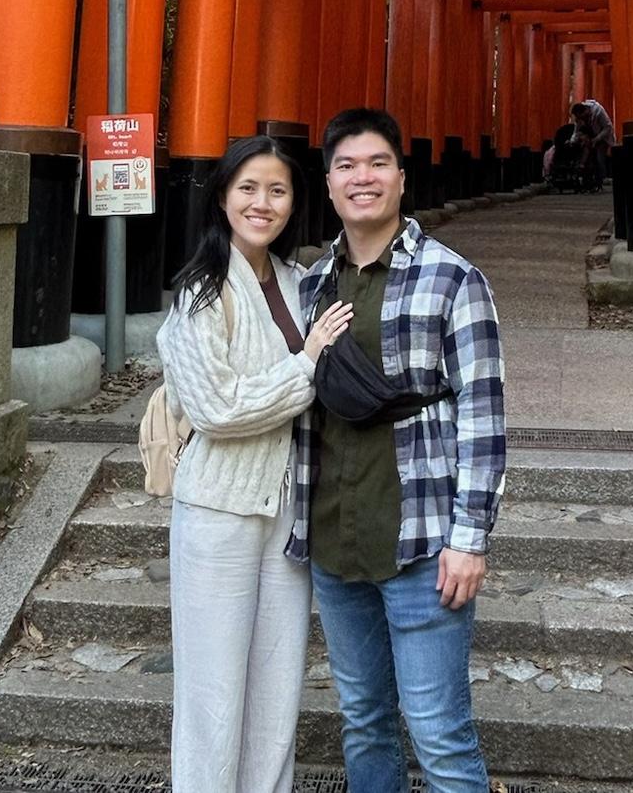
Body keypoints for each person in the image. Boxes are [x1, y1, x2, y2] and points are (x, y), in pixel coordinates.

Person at [286, 107, 507, 793]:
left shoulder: (452, 279)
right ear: (327, 186)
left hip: (421, 537)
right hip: (334, 535)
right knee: (363, 719)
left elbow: (484, 414)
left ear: (402, 179)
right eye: (346, 166)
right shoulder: (310, 285)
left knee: (440, 733)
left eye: (377, 163)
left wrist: (470, 538)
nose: (363, 178)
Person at [156, 135, 354, 793]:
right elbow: (216, 409)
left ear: (294, 203)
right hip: (218, 511)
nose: (262, 203)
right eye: (248, 188)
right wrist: (306, 364)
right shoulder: (201, 294)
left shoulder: (300, 284)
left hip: (289, 510)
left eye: (278, 190)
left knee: (276, 691)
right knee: (213, 697)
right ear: (221, 197)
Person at [574, 98, 613, 192]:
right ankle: (589, 181)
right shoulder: (580, 117)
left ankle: (600, 181)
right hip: (590, 136)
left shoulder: (599, 111)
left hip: (602, 136)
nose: (582, 119)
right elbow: (576, 130)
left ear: (586, 111)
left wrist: (597, 138)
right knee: (589, 159)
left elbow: (608, 127)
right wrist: (573, 140)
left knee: (599, 158)